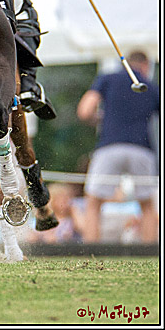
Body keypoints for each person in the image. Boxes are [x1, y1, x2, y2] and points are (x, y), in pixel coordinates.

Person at [76, 52, 159, 243]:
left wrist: (99, 119)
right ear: (145, 65)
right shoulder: (151, 87)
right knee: (146, 205)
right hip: (142, 149)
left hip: (109, 147)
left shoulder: (107, 79)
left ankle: (91, 251)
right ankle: (149, 254)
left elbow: (84, 111)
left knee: (94, 202)